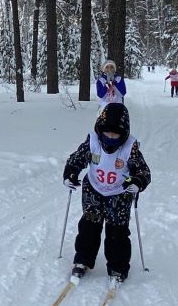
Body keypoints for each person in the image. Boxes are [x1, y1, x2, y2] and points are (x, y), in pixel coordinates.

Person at [62, 102, 151, 284]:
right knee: (89, 226)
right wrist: (70, 173)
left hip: (119, 193)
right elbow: (77, 158)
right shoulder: (93, 141)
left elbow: (142, 170)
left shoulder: (130, 147)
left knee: (117, 231)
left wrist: (137, 181)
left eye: (116, 133)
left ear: (124, 132)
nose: (110, 137)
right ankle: (83, 259)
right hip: (93, 189)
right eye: (107, 132)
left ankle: (118, 266)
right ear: (100, 129)